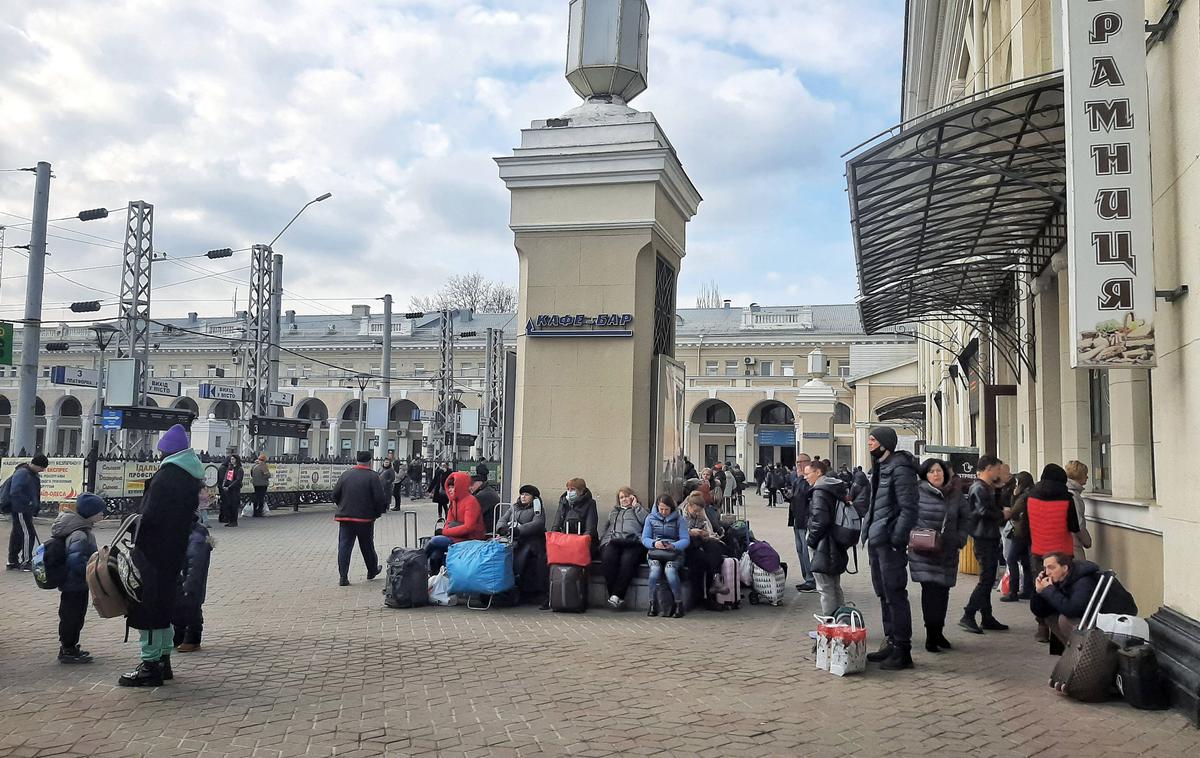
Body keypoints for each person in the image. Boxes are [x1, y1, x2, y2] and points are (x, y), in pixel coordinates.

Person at [119, 424, 204, 687]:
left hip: (154, 552)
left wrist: (132, 523)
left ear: (166, 451)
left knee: (150, 608)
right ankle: (163, 660)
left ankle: (151, 665)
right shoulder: (189, 475)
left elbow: (152, 517)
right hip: (172, 551)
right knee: (164, 605)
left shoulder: (168, 476)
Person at [862, 426, 920, 671]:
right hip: (877, 540)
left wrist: (897, 539)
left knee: (895, 593)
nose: (869, 444)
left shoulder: (900, 468)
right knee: (884, 592)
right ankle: (891, 642)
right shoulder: (881, 467)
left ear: (885, 443)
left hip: (889, 543)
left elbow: (909, 508)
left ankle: (902, 650)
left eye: (873, 440)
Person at [907, 459, 971, 654]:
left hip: (947, 551)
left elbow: (965, 517)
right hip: (925, 550)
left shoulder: (955, 494)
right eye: (932, 471)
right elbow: (908, 516)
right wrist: (915, 533)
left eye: (939, 471)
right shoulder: (917, 493)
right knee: (930, 592)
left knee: (943, 593)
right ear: (925, 474)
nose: (936, 474)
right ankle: (931, 635)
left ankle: (939, 632)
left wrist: (960, 538)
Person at [1030, 552, 1137, 651]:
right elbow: (1040, 611)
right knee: (1050, 617)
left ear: (1065, 568)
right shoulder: (1059, 579)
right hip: (1089, 615)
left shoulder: (1083, 581)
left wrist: (1048, 590)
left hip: (1110, 618)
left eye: (1051, 568)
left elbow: (1072, 609)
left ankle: (1085, 652)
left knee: (1064, 620)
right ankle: (1072, 651)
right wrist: (1039, 592)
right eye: (1045, 568)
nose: (1047, 572)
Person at [959, 455, 1011, 634]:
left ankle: (987, 617)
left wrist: (997, 490)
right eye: (997, 469)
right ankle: (969, 614)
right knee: (987, 580)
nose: (999, 473)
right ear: (989, 468)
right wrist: (1002, 514)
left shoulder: (985, 487)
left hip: (987, 535)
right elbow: (983, 511)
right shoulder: (979, 488)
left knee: (988, 578)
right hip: (983, 537)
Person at [53, 492, 105, 663]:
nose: (103, 515)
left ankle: (70, 646)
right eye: (100, 512)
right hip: (74, 583)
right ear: (91, 513)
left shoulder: (82, 529)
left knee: (75, 615)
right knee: (72, 616)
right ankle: (67, 649)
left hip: (76, 583)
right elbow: (75, 560)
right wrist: (91, 572)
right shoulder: (79, 534)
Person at [332, 451, 389, 586]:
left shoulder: (346, 475)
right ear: (370, 462)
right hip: (365, 518)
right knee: (367, 545)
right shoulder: (373, 477)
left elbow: (335, 494)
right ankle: (372, 570)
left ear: (356, 461)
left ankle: (343, 577)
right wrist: (377, 513)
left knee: (344, 546)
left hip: (345, 517)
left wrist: (342, 506)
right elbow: (379, 498)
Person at [803, 459, 851, 616]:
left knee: (824, 587)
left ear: (818, 473)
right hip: (836, 540)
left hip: (823, 543)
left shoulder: (819, 491)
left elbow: (821, 520)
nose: (805, 477)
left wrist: (811, 541)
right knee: (835, 585)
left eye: (807, 474)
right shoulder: (834, 487)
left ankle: (830, 624)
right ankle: (842, 620)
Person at [173, 498, 214, 653]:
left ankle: (192, 638)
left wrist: (189, 583)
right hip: (184, 578)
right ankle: (180, 636)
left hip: (190, 580)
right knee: (180, 607)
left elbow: (196, 564)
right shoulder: (186, 532)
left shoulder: (197, 536)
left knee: (191, 607)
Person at [495, 485, 548, 606]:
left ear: (533, 497)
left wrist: (519, 530)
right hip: (512, 538)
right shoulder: (514, 507)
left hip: (530, 540)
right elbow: (503, 519)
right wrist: (502, 528)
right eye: (522, 494)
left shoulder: (537, 508)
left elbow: (538, 523)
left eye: (527, 494)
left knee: (524, 557)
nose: (523, 497)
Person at [424, 471, 484, 575]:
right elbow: (448, 522)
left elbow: (468, 527)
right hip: (457, 537)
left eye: (453, 487)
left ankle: (416, 560)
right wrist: (447, 530)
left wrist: (446, 532)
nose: (450, 490)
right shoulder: (454, 502)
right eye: (449, 487)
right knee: (435, 555)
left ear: (460, 486)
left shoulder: (471, 501)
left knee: (434, 541)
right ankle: (433, 577)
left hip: (470, 538)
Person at [599, 487, 649, 609]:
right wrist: (604, 543)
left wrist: (636, 506)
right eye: (621, 497)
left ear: (632, 497)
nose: (624, 499)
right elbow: (607, 529)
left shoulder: (641, 510)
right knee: (607, 558)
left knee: (627, 561)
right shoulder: (615, 512)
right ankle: (615, 596)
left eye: (627, 496)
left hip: (634, 542)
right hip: (615, 541)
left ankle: (616, 595)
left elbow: (647, 522)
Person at [642, 494, 690, 618]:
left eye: (666, 509)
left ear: (671, 508)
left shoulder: (679, 519)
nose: (663, 512)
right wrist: (654, 543)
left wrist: (673, 545)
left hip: (674, 552)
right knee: (654, 572)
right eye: (661, 509)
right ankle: (652, 603)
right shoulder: (650, 518)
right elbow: (645, 538)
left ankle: (678, 603)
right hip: (655, 551)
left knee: (670, 571)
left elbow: (685, 539)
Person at [682, 493, 727, 610]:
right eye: (695, 511)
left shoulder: (701, 514)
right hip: (686, 546)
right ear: (689, 506)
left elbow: (708, 530)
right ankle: (709, 590)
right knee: (702, 559)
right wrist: (690, 532)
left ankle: (716, 579)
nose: (697, 513)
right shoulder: (680, 514)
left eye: (699, 511)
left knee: (715, 548)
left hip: (699, 543)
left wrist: (705, 533)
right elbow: (677, 531)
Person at [5, 453, 47, 571]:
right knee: (28, 534)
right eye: (42, 468)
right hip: (21, 509)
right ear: (37, 465)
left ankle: (12, 561)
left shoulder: (31, 474)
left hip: (24, 509)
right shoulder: (23, 473)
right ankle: (26, 561)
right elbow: (15, 491)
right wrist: (28, 502)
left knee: (18, 533)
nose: (43, 470)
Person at [1000, 470, 1037, 602]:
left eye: (1016, 483)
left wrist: (1014, 496)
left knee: (1011, 559)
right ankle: (1028, 589)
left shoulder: (1023, 496)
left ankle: (1013, 591)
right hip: (1031, 532)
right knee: (1026, 561)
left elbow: (1014, 512)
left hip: (1020, 532)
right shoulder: (1033, 492)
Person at [787, 453, 816, 593]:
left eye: (801, 462)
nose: (798, 465)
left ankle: (812, 579)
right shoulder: (798, 479)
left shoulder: (809, 479)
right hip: (796, 519)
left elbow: (807, 496)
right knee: (800, 550)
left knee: (806, 551)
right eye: (797, 462)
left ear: (808, 463)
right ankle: (807, 578)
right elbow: (796, 496)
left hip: (805, 520)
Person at [550, 478, 599, 553]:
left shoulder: (590, 503)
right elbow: (557, 523)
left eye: (573, 489)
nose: (569, 492)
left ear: (581, 491)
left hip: (583, 541)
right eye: (568, 489)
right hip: (565, 539)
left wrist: (579, 542)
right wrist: (553, 538)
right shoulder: (563, 502)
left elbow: (590, 528)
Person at [1064, 460, 1093, 558]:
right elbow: (1078, 522)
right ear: (1079, 476)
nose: (1087, 477)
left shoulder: (1065, 490)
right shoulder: (1073, 495)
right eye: (1085, 474)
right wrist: (1087, 541)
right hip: (1073, 541)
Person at [216, 454, 243, 527]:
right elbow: (227, 478)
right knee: (229, 505)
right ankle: (230, 520)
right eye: (231, 459)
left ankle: (234, 521)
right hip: (228, 490)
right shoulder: (230, 468)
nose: (232, 461)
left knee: (234, 505)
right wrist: (225, 486)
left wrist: (230, 486)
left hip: (235, 489)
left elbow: (238, 480)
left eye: (233, 459)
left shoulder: (239, 469)